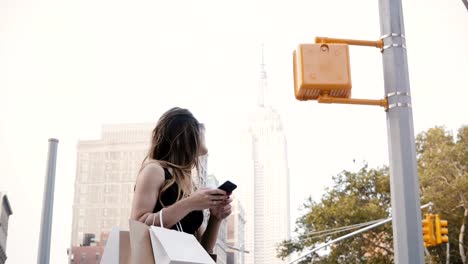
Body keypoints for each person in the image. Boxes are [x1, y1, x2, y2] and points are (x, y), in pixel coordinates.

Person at [130, 107, 232, 254]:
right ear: (184, 134)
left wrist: (216, 218)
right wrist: (190, 203)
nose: (203, 129)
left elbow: (202, 249)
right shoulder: (155, 170)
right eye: (198, 127)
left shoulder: (190, 184)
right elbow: (138, 224)